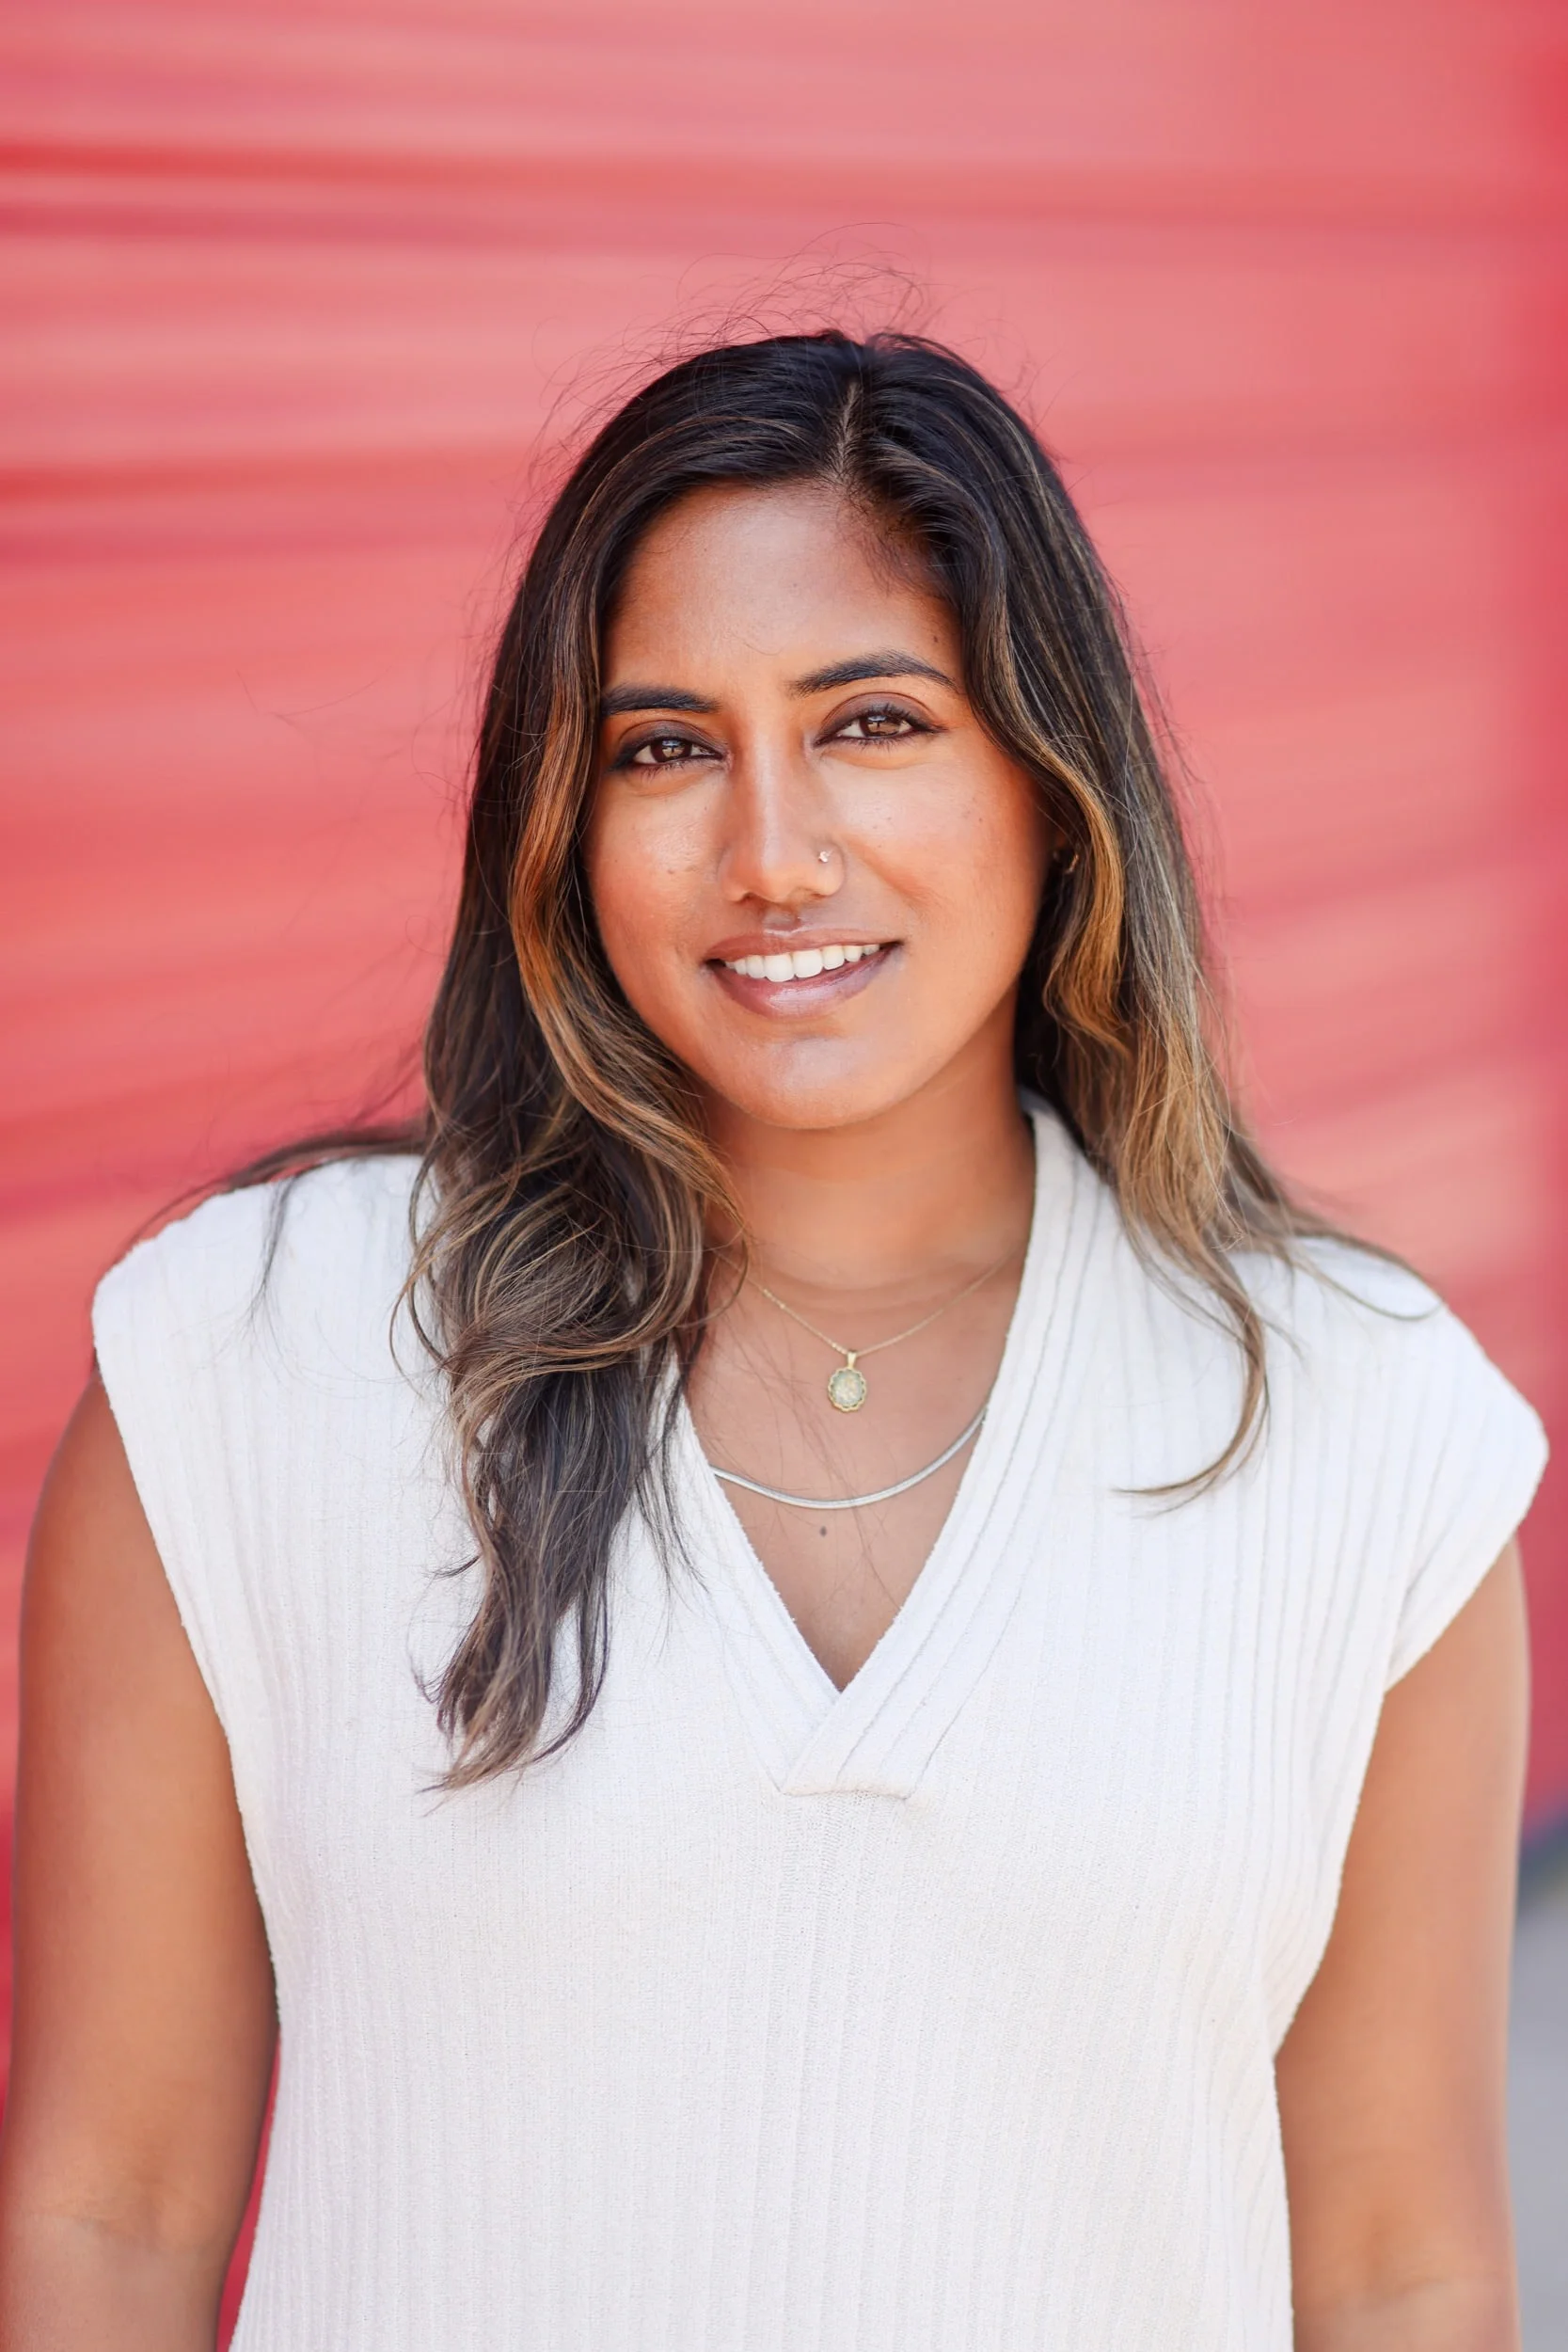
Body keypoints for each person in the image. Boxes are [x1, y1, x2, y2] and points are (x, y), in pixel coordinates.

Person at [0, 330, 1547, 2352]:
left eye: (871, 720)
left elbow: (1394, 2261)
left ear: (1046, 773)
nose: (769, 852)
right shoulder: (251, 1360)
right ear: (560, 820)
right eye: (663, 747)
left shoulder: (1358, 1422)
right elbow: (110, 2209)